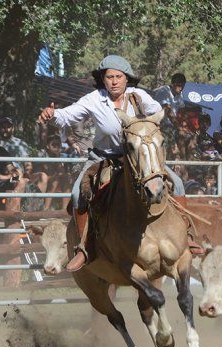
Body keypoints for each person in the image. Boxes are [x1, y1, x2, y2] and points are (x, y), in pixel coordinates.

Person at [38, 55, 190, 271]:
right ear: (103, 78)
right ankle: (83, 248)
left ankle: (187, 237)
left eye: (119, 76)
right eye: (110, 77)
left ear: (127, 79)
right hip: (104, 157)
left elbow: (158, 112)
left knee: (178, 183)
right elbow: (67, 116)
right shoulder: (93, 99)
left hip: (137, 157)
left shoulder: (139, 96)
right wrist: (52, 115)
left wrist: (148, 121)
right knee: (76, 193)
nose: (114, 81)